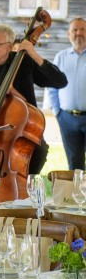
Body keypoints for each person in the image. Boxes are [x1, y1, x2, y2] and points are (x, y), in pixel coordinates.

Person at [0, 23, 67, 178]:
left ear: (10, 46)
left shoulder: (24, 62)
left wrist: (33, 53)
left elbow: (60, 81)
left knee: (40, 149)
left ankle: (23, 184)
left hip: (20, 130)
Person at [49, 17, 86, 170]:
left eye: (83, 29)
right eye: (75, 30)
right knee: (74, 164)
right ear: (68, 34)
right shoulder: (60, 57)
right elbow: (52, 87)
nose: (79, 33)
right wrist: (57, 112)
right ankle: (77, 194)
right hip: (67, 119)